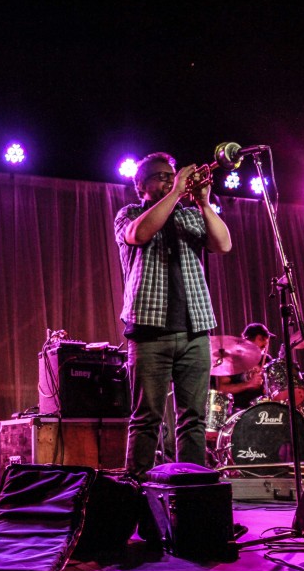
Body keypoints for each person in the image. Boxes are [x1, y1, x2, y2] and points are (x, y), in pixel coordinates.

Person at [114, 151, 232, 479]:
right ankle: (136, 496)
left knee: (193, 419)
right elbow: (139, 234)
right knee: (146, 418)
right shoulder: (130, 213)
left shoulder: (191, 216)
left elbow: (223, 245)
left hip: (196, 330)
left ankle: (191, 495)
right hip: (150, 331)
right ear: (141, 185)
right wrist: (178, 189)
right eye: (162, 176)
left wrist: (204, 203)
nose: (170, 179)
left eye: (172, 175)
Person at [215, 322, 275, 411]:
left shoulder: (267, 359)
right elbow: (222, 388)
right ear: (248, 340)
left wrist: (268, 388)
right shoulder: (232, 359)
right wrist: (248, 384)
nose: (265, 343)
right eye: (261, 338)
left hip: (262, 409)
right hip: (239, 411)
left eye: (266, 339)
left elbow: (272, 389)